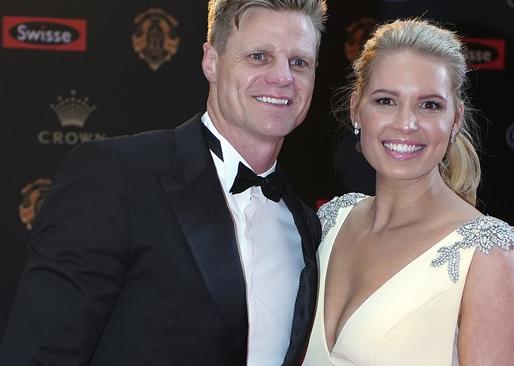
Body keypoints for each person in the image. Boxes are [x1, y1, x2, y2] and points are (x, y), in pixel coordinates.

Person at [0, 0, 327, 365]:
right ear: (211, 60)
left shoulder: (306, 225)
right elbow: (39, 354)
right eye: (258, 56)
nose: (283, 77)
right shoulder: (118, 176)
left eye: (299, 62)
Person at [303, 18, 514, 365]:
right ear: (356, 109)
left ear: (455, 119)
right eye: (385, 101)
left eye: (429, 105)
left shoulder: (488, 257)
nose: (406, 124)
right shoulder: (330, 223)